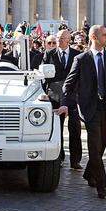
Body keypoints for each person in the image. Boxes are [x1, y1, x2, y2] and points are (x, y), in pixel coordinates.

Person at [57, 25, 106, 199]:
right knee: (94, 146)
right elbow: (69, 84)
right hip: (90, 109)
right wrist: (66, 104)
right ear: (94, 37)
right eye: (104, 35)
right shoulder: (82, 59)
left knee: (101, 145)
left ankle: (90, 173)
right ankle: (102, 185)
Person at [41, 30, 81, 169]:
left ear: (69, 39)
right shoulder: (49, 54)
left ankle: (75, 160)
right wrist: (44, 92)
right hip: (55, 95)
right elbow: (43, 74)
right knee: (56, 128)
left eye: (62, 38)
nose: (59, 40)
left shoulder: (77, 55)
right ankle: (59, 157)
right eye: (58, 38)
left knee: (75, 128)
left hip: (72, 96)